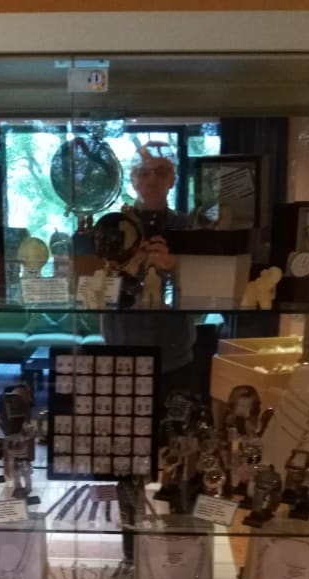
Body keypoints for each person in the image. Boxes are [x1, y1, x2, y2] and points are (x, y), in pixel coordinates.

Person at [104, 145, 199, 400]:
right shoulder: (111, 228)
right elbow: (96, 296)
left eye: (161, 172)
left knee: (178, 423)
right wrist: (128, 270)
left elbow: (204, 300)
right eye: (144, 173)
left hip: (175, 357)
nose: (152, 180)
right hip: (122, 354)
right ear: (133, 179)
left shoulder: (189, 229)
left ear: (173, 178)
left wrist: (176, 268)